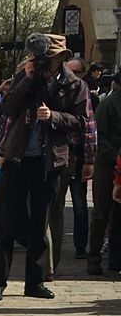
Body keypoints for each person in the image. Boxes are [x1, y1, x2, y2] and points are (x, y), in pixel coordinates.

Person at [0, 35, 87, 302]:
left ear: (61, 58)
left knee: (39, 225)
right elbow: (8, 109)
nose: (43, 62)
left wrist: (53, 116)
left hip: (49, 162)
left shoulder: (74, 84)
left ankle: (35, 281)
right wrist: (28, 78)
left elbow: (81, 120)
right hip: (17, 158)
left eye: (47, 58)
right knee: (7, 223)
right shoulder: (26, 75)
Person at [47, 58, 96, 274]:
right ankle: (47, 260)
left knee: (77, 205)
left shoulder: (81, 90)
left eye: (76, 71)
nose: (71, 73)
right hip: (53, 153)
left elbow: (88, 127)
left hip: (73, 156)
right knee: (53, 206)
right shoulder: (46, 83)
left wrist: (89, 160)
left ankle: (78, 245)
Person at [89, 70, 121, 276]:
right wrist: (116, 156)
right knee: (102, 212)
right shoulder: (109, 104)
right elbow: (98, 136)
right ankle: (94, 258)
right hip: (108, 165)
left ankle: (115, 259)